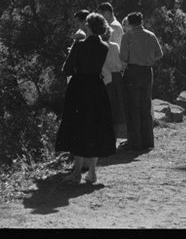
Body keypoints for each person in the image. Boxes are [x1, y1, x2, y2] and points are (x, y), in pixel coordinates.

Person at [55, 12, 117, 184]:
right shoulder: (104, 46)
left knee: (79, 127)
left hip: (80, 87)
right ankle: (92, 172)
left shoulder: (79, 45)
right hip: (97, 87)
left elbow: (66, 69)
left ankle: (76, 173)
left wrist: (74, 58)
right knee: (95, 127)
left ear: (88, 26)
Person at [119, 11, 164, 151]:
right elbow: (159, 54)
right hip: (147, 72)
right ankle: (148, 141)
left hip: (132, 72)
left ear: (130, 23)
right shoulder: (151, 35)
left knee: (133, 107)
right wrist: (148, 59)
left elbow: (123, 57)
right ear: (141, 22)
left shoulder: (128, 36)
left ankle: (135, 142)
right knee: (145, 105)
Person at [100, 19, 128, 141]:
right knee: (119, 106)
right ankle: (119, 134)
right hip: (117, 77)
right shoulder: (115, 46)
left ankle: (108, 135)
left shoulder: (100, 48)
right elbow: (121, 63)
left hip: (105, 77)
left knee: (108, 107)